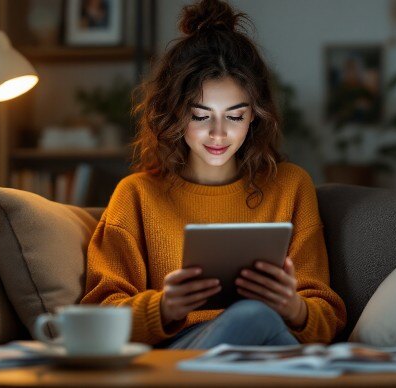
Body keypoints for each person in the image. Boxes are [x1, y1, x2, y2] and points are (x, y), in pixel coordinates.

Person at [80, 0, 346, 349]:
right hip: (180, 352)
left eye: (235, 116)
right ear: (174, 114)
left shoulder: (291, 186)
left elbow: (326, 318)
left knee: (259, 319)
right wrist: (163, 307)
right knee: (253, 316)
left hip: (269, 343)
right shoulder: (136, 194)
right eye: (201, 116)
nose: (218, 134)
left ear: (255, 116)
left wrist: (294, 308)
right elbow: (98, 315)